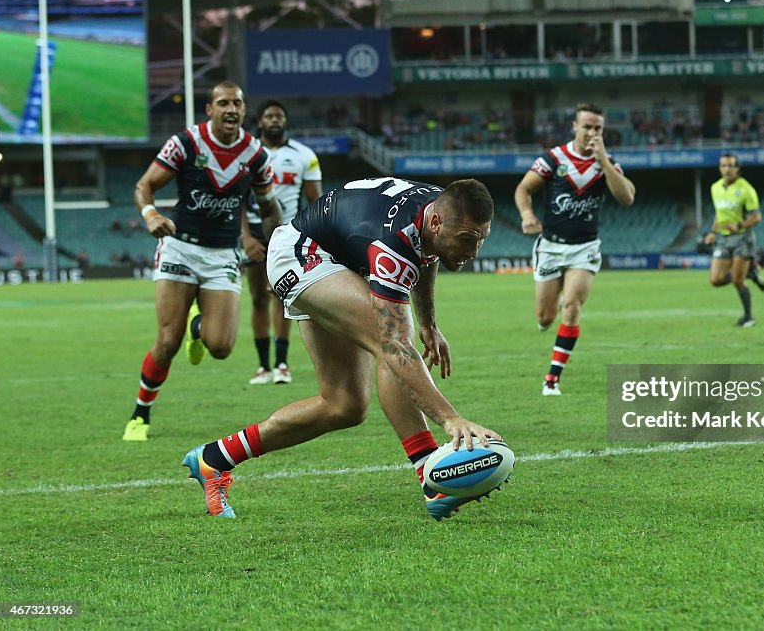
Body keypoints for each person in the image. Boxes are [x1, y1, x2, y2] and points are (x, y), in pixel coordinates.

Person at [181, 177, 504, 521]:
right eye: (467, 240)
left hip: (338, 256)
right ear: (437, 221)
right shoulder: (393, 242)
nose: (473, 252)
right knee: (389, 341)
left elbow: (427, 252)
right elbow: (396, 345)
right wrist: (450, 418)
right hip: (303, 252)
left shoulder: (437, 212)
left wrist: (429, 323)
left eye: (481, 240)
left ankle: (214, 458)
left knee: (344, 406)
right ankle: (430, 477)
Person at [122, 81, 279, 442]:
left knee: (221, 348)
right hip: (180, 247)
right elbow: (143, 186)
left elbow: (269, 207)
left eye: (237, 103)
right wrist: (150, 216)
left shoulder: (255, 155)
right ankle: (140, 415)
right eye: (223, 103)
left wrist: (279, 247)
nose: (231, 109)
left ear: (243, 109)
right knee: (167, 341)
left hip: (223, 254)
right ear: (209, 109)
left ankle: (199, 326)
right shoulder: (186, 144)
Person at [514, 102, 636, 396]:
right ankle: (549, 311)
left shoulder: (606, 163)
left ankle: (552, 379)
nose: (592, 132)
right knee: (545, 317)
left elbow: (627, 197)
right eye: (587, 127)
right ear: (575, 127)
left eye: (598, 128)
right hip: (551, 247)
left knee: (572, 307)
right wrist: (527, 215)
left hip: (585, 248)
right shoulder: (554, 158)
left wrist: (605, 162)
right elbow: (523, 189)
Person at [242, 100, 323, 385]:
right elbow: (238, 198)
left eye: (279, 115)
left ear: (285, 121)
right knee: (258, 298)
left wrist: (311, 238)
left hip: (288, 233)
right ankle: (263, 366)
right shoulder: (248, 153)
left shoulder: (305, 155)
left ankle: (282, 363)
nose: (274, 120)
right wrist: (246, 237)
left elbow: (316, 202)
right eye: (268, 116)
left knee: (282, 296)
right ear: (260, 122)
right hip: (254, 232)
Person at [703, 153, 764, 328]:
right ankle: (750, 272)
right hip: (723, 238)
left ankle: (748, 317)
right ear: (719, 168)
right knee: (716, 280)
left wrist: (738, 226)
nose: (727, 169)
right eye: (723, 165)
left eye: (731, 166)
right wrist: (712, 232)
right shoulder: (715, 188)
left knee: (738, 282)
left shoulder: (746, 189)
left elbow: (756, 217)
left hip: (742, 238)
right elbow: (719, 213)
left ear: (737, 168)